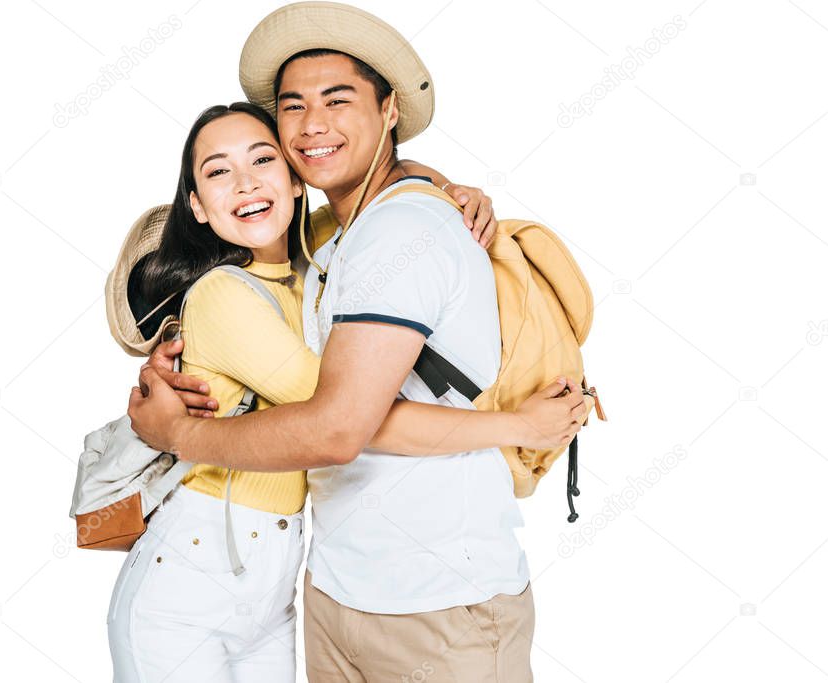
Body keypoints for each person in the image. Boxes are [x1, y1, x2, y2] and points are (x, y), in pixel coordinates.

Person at [127, 3, 590, 681]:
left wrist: (180, 433)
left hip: (439, 606)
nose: (312, 124)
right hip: (335, 591)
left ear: (389, 109)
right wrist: (435, 178)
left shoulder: (399, 234)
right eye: (292, 107)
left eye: (337, 100)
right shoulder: (328, 238)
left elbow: (338, 427)